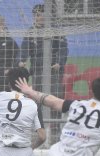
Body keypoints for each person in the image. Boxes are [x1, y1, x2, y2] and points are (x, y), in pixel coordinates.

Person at [19, 3, 68, 143]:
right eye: (37, 15)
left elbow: (63, 49)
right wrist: (21, 60)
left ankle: (56, 131)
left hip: (53, 72)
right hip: (38, 72)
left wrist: (59, 62)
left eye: (42, 14)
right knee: (38, 102)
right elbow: (24, 49)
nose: (40, 17)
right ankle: (41, 131)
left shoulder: (56, 31)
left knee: (55, 100)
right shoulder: (31, 32)